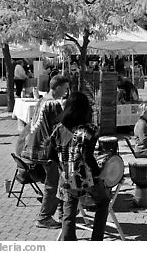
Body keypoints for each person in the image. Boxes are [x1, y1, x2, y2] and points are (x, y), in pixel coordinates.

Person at [49, 92, 110, 241]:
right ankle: (97, 240)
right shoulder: (89, 129)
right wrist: (98, 173)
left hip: (67, 177)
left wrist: (64, 168)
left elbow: (50, 155)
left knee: (68, 211)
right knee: (103, 203)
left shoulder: (58, 128)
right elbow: (87, 156)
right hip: (85, 177)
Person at [20, 75, 70, 229]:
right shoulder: (54, 104)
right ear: (59, 87)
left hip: (32, 148)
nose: (67, 91)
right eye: (66, 88)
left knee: (54, 181)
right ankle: (45, 217)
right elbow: (58, 130)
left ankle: (61, 212)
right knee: (53, 183)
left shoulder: (42, 100)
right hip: (45, 151)